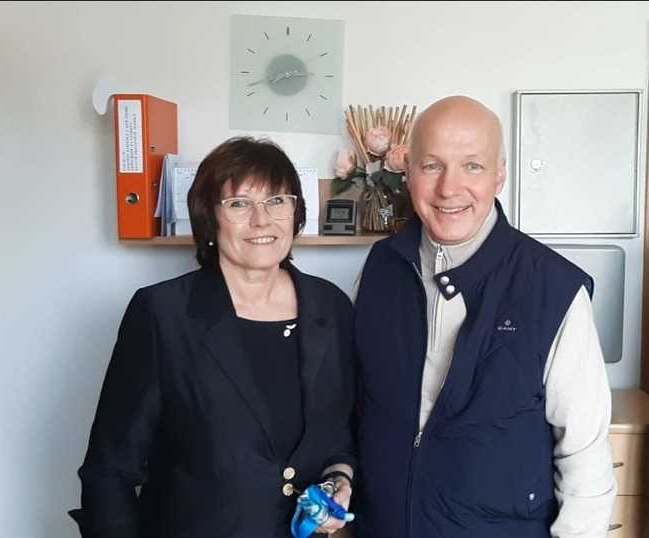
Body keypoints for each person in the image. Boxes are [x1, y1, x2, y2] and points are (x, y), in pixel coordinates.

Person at [353, 96, 616, 537]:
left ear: (500, 175)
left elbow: (585, 454)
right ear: (408, 171)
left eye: (472, 166)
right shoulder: (380, 268)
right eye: (432, 166)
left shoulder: (553, 288)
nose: (449, 188)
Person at [69, 137, 356, 538]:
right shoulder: (162, 314)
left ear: (295, 212)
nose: (262, 220)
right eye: (239, 204)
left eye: (277, 200)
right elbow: (109, 471)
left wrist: (340, 477)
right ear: (209, 217)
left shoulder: (331, 306)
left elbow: (341, 431)